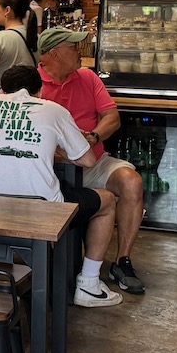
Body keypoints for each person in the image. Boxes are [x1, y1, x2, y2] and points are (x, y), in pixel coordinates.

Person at [0, 65, 123, 307]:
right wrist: (53, 144)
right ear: (39, 91)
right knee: (107, 200)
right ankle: (89, 284)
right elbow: (88, 160)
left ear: (3, 90)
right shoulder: (54, 110)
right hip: (43, 212)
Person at [36, 27, 147, 296]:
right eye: (73, 48)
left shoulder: (87, 77)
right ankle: (62, 269)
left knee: (132, 183)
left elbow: (112, 116)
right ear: (54, 53)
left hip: (94, 161)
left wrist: (94, 138)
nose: (80, 53)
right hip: (50, 170)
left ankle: (122, 262)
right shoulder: (31, 83)